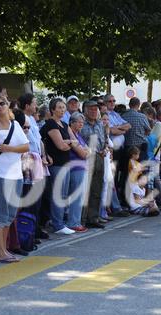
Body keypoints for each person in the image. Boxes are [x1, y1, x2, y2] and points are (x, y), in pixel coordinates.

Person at [0, 95, 29, 262]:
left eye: (2, 104)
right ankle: (0, 251)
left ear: (7, 105)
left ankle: (4, 249)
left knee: (10, 215)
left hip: (16, 175)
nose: (0, 107)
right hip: (2, 175)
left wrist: (9, 148)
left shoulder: (15, 125)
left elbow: (26, 146)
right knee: (1, 215)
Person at [40, 97, 78, 235]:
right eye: (59, 107)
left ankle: (59, 221)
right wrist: (69, 143)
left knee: (63, 194)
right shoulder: (51, 124)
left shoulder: (64, 123)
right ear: (52, 110)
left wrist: (68, 142)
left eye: (63, 107)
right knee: (57, 194)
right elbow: (61, 146)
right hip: (56, 164)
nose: (62, 110)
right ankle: (58, 224)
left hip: (65, 162)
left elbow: (75, 141)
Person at [80, 100, 107, 229]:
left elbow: (105, 138)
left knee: (97, 189)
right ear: (85, 110)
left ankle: (93, 218)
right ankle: (82, 219)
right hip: (86, 157)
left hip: (100, 157)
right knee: (85, 190)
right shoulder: (81, 123)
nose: (94, 111)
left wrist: (105, 148)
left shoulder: (100, 124)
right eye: (91, 109)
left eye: (96, 109)